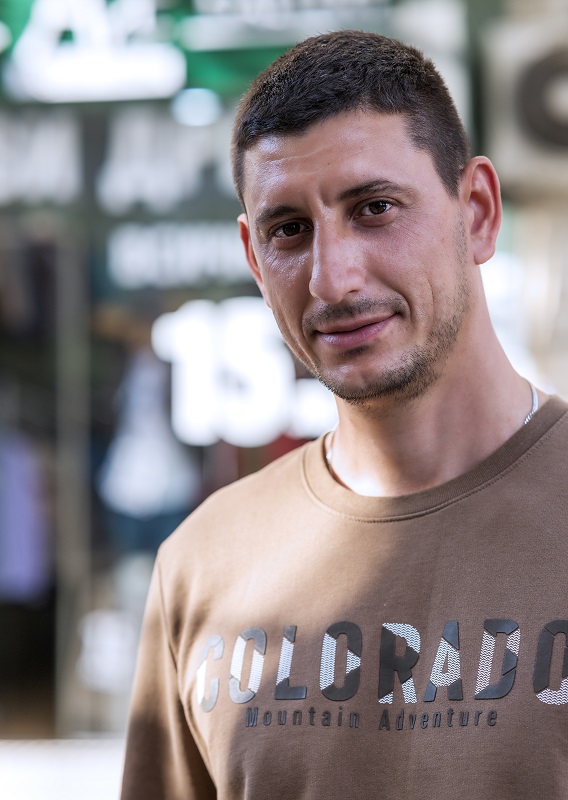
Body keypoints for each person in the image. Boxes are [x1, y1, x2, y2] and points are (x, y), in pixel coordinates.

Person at [121, 31, 568, 800]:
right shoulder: (203, 565)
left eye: (375, 208)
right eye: (289, 229)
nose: (333, 279)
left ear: (478, 213)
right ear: (254, 259)